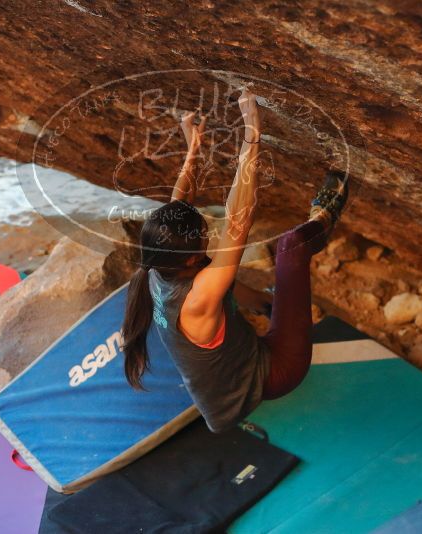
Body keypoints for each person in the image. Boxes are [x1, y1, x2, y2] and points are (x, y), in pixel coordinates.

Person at [122, 88, 349, 433]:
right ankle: (324, 217)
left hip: (234, 361)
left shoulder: (160, 265)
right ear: (190, 260)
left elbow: (178, 205)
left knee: (241, 287)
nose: (208, 234)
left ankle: (264, 304)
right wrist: (251, 131)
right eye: (203, 236)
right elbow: (239, 220)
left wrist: (193, 150)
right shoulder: (196, 299)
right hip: (274, 372)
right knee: (290, 246)